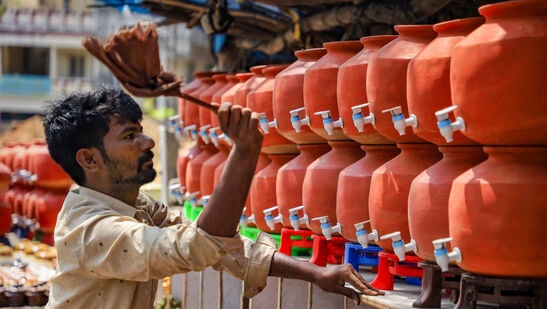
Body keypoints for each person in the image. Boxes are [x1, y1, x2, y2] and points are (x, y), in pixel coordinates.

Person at [42, 87, 383, 308]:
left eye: (142, 130)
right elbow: (198, 246)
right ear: (89, 159)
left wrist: (316, 273)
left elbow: (224, 248)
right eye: (130, 135)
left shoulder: (137, 206)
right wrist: (245, 152)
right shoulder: (89, 229)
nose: (148, 142)